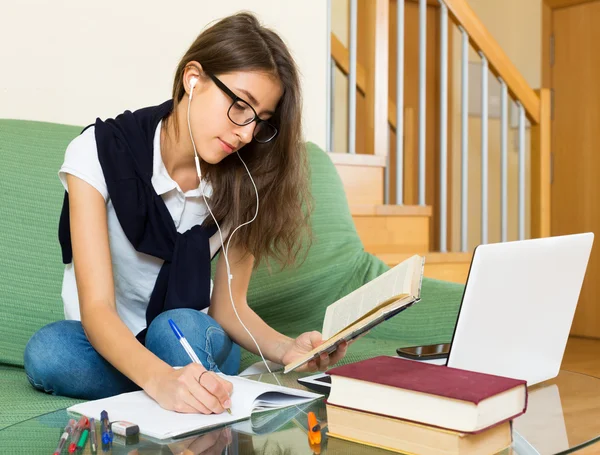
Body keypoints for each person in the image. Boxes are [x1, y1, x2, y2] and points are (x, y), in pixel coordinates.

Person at [24, 12, 348, 415]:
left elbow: (229, 308)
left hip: (191, 335)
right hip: (110, 341)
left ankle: (186, 386)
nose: (246, 133)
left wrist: (287, 349)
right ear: (193, 79)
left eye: (261, 121)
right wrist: (160, 379)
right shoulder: (97, 153)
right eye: (240, 107)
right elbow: (97, 310)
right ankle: (186, 387)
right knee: (49, 351)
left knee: (178, 326)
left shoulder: (246, 181)